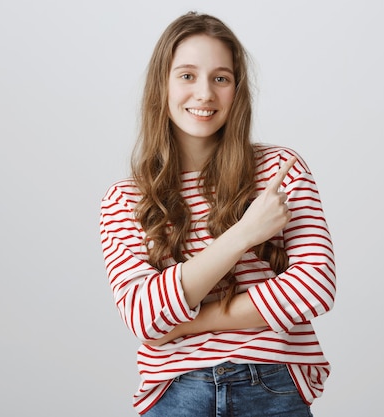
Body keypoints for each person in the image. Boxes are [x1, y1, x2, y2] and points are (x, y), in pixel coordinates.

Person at [99, 11, 336, 416]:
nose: (205, 93)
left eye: (220, 78)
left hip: (272, 384)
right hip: (176, 392)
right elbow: (142, 316)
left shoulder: (279, 170)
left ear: (237, 90)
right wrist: (242, 235)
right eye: (187, 75)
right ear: (162, 86)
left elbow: (315, 286)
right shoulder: (126, 199)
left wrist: (186, 323)